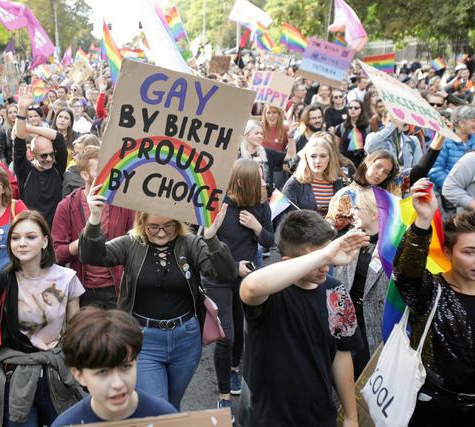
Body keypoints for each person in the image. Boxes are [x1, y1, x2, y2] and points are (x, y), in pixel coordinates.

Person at [79, 188, 237, 409]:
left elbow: (225, 273)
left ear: (178, 223)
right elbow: (91, 255)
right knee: (158, 408)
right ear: (142, 223)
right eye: (154, 227)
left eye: (168, 226)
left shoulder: (190, 243)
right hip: (144, 340)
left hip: (186, 339)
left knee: (172, 404)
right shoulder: (131, 244)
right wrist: (94, 219)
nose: (161, 233)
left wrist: (211, 239)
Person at [0, 210, 85, 427]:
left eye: (30, 237)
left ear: (45, 241)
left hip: (56, 375)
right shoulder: (3, 278)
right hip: (15, 376)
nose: (22, 243)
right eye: (15, 237)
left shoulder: (67, 278)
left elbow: (77, 333)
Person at [239, 210, 368, 426]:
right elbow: (250, 287)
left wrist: (351, 415)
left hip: (319, 415)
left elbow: (341, 355)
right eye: (318, 259)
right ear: (289, 261)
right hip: (267, 417)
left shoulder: (336, 292)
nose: (326, 266)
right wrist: (326, 254)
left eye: (329, 254)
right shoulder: (270, 291)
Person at [394, 180, 475, 425]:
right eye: (469, 252)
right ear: (448, 253)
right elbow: (406, 273)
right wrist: (422, 221)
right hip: (434, 408)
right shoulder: (431, 290)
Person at [205, 159, 274, 410]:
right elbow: (204, 245)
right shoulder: (220, 204)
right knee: (226, 336)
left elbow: (269, 241)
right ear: (241, 181)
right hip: (218, 278)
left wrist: (257, 228)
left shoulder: (261, 205)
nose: (263, 184)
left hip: (246, 279)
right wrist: (234, 267)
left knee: (240, 330)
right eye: (258, 180)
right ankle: (223, 394)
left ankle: (234, 367)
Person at [51, 307, 177, 426]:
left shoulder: (165, 417)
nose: (118, 384)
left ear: (136, 360)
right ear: (79, 375)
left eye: (126, 367)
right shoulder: (67, 424)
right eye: (102, 372)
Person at [52, 146, 133, 309]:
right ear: (84, 175)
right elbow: (56, 253)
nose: (108, 174)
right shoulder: (67, 206)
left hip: (117, 289)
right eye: (100, 170)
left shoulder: (123, 204)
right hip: (84, 291)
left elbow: (135, 240)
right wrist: (84, 243)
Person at [334, 189, 389, 377]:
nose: (352, 212)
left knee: (367, 377)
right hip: (348, 319)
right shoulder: (352, 236)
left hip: (374, 325)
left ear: (374, 213)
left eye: (357, 208)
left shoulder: (391, 245)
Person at [14, 85, 67, 228]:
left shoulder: (57, 169)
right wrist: (22, 110)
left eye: (51, 154)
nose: (49, 159)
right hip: (30, 231)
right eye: (44, 156)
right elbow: (19, 141)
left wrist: (29, 128)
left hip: (55, 233)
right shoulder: (25, 171)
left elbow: (59, 138)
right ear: (32, 154)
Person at [327, 150, 399, 233]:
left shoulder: (386, 196)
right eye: (378, 166)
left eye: (386, 172)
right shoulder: (346, 194)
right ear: (368, 162)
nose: (380, 173)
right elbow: (329, 231)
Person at [283, 137, 345, 217]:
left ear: (329, 158)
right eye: (313, 156)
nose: (318, 161)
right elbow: (288, 219)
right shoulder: (294, 183)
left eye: (323, 156)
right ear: (306, 158)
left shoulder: (337, 182)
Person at [239, 120, 292, 196]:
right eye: (256, 133)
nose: (260, 136)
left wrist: (291, 137)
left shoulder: (268, 153)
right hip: (241, 198)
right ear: (246, 134)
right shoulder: (236, 154)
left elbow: (290, 155)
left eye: (261, 134)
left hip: (263, 200)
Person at [428, 105, 475, 189]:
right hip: (451, 194)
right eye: (473, 121)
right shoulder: (444, 142)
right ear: (461, 123)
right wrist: (452, 187)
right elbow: (435, 170)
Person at [335, 99, 369, 168]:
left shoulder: (367, 127)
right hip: (345, 163)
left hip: (362, 163)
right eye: (350, 108)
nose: (353, 109)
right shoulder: (342, 127)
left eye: (356, 108)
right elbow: (336, 148)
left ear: (361, 110)